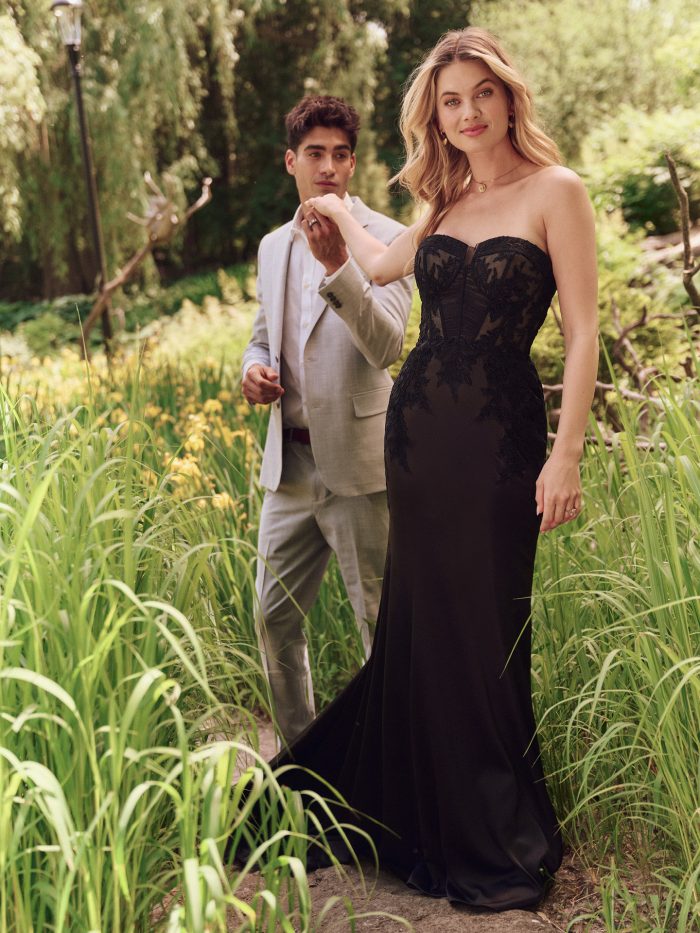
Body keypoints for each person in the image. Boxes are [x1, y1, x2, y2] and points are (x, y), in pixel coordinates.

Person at [266, 27, 599, 910]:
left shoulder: (555, 192)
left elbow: (583, 333)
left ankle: (494, 824)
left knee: (486, 629)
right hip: (415, 437)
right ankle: (426, 813)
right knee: (421, 624)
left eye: (479, 94)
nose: (466, 112)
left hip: (499, 443)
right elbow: (377, 268)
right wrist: (333, 217)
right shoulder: (443, 207)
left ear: (507, 96)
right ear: (436, 118)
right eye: (450, 102)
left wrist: (566, 451)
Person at [241, 96, 413, 746]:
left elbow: (388, 344)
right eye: (316, 153)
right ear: (292, 162)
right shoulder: (270, 247)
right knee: (272, 618)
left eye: (342, 154)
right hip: (290, 468)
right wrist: (253, 370)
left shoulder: (390, 237)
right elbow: (264, 337)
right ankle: (304, 764)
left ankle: (393, 769)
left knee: (380, 623)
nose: (330, 167)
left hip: (360, 469)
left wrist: (338, 264)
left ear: (354, 162)